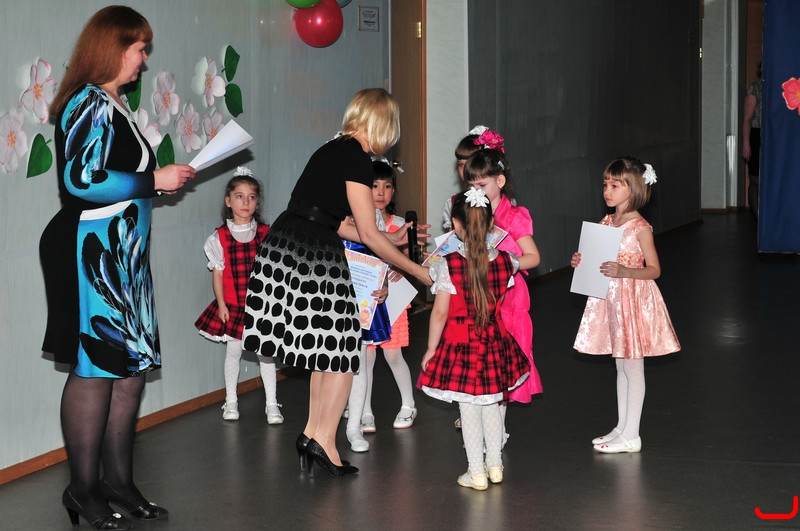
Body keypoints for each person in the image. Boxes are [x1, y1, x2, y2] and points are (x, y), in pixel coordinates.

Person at [39, 6, 196, 529]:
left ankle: (119, 483)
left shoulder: (115, 103)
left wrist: (155, 182)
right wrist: (154, 180)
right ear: (114, 48)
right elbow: (81, 180)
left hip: (122, 254)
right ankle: (83, 490)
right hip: (91, 251)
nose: (144, 59)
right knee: (95, 369)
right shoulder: (86, 101)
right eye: (139, 49)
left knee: (129, 372)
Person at [242, 88, 431, 477]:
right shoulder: (357, 158)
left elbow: (339, 222)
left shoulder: (332, 149)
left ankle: (313, 434)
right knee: (344, 350)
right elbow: (367, 232)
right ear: (383, 123)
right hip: (311, 250)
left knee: (325, 349)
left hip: (290, 241)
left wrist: (393, 238)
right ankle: (325, 441)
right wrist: (417, 271)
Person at [418, 188, 530, 491]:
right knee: (492, 404)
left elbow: (440, 313)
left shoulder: (448, 265)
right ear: (491, 224)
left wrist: (431, 349)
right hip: (495, 342)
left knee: (468, 409)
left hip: (461, 344)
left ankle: (476, 472)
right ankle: (495, 466)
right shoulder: (506, 261)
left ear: (456, 225)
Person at [571, 157, 681, 454]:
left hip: (632, 300)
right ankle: (622, 427)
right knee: (620, 365)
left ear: (632, 189)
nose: (607, 191)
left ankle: (633, 435)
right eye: (605, 184)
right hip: (612, 299)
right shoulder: (607, 222)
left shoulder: (640, 227)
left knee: (633, 366)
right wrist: (581, 261)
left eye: (615, 185)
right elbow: (596, 258)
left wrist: (624, 271)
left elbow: (654, 269)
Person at [463, 140, 544, 443]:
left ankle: (497, 432)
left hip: (509, 299)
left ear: (499, 181)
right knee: (481, 362)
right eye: (471, 185)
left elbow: (533, 257)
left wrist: (506, 262)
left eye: (482, 185)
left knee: (503, 363)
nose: (476, 191)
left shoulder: (514, 216)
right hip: (480, 295)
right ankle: (485, 429)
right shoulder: (471, 213)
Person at [194, 168, 284, 424]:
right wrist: (222, 304)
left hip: (262, 306)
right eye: (239, 196)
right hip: (234, 305)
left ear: (258, 202)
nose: (246, 202)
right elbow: (218, 274)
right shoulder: (219, 237)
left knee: (265, 354)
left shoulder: (266, 233)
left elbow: (274, 270)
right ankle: (231, 400)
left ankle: (272, 404)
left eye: (251, 197)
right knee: (233, 351)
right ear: (228, 201)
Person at [359, 159, 417, 436]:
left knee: (393, 354)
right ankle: (364, 411)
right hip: (366, 300)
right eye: (374, 186)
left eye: (387, 186)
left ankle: (408, 404)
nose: (381, 192)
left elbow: (410, 260)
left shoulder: (401, 225)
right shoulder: (357, 224)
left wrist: (399, 268)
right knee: (366, 358)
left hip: (394, 300)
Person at [441, 126, 485, 230]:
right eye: (461, 164)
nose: (465, 169)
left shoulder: (502, 203)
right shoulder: (453, 203)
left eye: (470, 163)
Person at [742, 61, 762, 218]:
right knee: (755, 180)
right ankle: (758, 218)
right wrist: (746, 143)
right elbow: (747, 118)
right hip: (757, 135)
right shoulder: (755, 88)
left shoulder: (782, 86)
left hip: (776, 136)